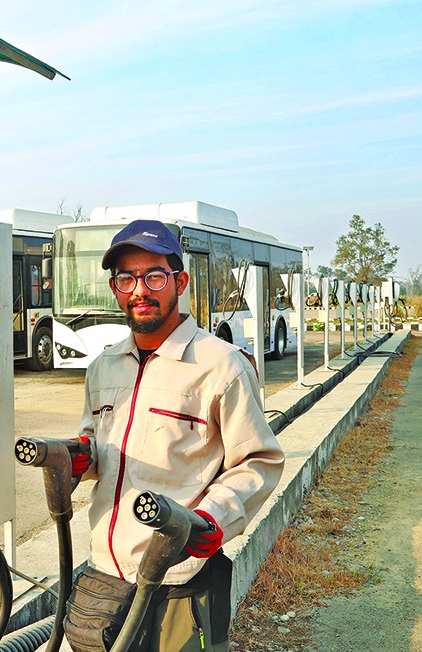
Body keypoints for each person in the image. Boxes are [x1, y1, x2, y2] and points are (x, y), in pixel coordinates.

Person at [70, 219, 285, 651]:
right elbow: (97, 444)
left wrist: (213, 517)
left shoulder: (221, 365)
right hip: (105, 573)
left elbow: (259, 460)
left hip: (179, 577)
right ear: (115, 288)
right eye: (126, 278)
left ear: (179, 281)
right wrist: (79, 456)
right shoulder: (104, 366)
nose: (139, 290)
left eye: (153, 276)